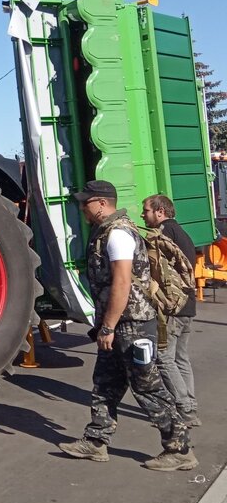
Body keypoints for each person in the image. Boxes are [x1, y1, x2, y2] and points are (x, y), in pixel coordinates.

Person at [59, 180, 196, 471]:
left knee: (147, 388)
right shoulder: (108, 230)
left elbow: (122, 282)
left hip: (131, 326)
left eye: (86, 202)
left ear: (101, 203)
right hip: (119, 325)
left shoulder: (118, 234)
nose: (82, 208)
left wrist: (107, 327)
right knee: (106, 384)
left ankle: (179, 449)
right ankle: (96, 441)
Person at [141, 194, 200, 427]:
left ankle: (184, 408)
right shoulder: (182, 234)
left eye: (146, 211)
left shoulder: (162, 234)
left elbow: (157, 270)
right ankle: (191, 406)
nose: (143, 215)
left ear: (160, 212)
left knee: (164, 358)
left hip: (172, 308)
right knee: (180, 358)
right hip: (188, 306)